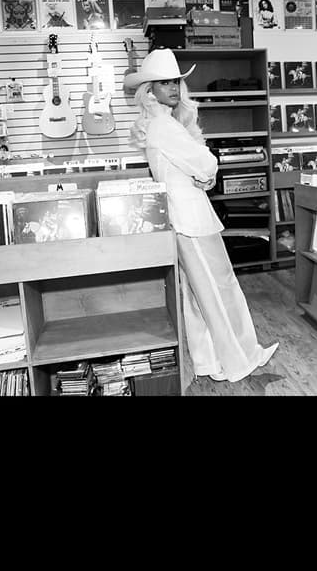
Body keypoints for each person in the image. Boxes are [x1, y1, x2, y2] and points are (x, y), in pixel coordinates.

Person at [124, 48, 278, 383]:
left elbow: (202, 172)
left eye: (176, 81)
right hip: (190, 218)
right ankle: (242, 359)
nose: (174, 88)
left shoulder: (162, 125)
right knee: (219, 291)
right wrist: (206, 169)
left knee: (199, 296)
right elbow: (207, 164)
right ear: (149, 90)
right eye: (164, 83)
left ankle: (211, 362)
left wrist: (204, 172)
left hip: (186, 217)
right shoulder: (164, 127)